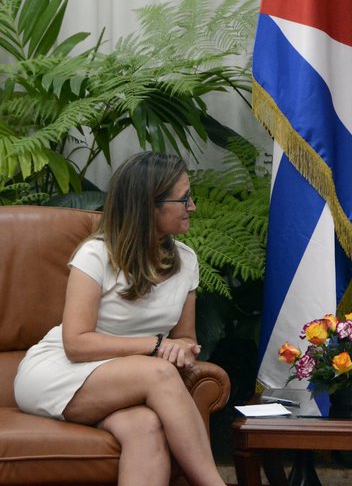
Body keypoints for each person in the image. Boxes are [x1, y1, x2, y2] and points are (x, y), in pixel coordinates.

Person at [14, 152, 227, 486]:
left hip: (128, 379)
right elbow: (76, 343)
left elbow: (185, 336)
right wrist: (157, 347)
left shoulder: (186, 261)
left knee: (146, 428)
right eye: (184, 199)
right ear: (148, 205)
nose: (193, 206)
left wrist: (182, 349)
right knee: (158, 372)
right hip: (59, 372)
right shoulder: (96, 255)